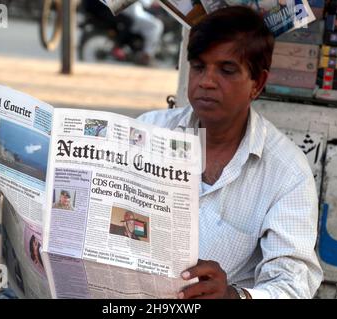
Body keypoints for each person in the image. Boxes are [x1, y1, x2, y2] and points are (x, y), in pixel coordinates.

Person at [138, 6, 322, 299]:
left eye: (226, 70)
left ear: (257, 84)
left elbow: (294, 284)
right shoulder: (149, 131)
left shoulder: (287, 172)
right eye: (198, 67)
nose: (206, 82)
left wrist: (233, 297)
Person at [122, 0, 164, 65]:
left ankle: (145, 54)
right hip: (132, 16)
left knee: (155, 23)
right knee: (156, 25)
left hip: (130, 14)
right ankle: (146, 56)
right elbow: (148, 3)